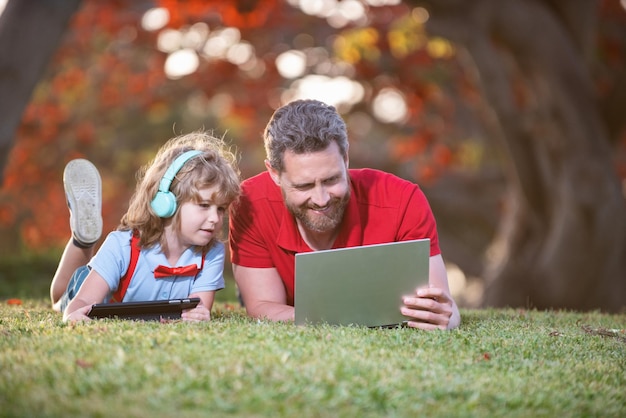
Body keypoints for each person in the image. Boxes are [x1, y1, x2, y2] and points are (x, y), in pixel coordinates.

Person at [229, 99, 461, 330]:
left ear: (346, 158)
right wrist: (348, 319)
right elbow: (264, 305)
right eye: (304, 186)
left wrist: (443, 317)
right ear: (274, 173)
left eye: (331, 180)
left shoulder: (403, 200)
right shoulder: (249, 204)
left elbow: (443, 306)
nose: (321, 199)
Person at [50, 131, 240, 322]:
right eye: (204, 205)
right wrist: (72, 315)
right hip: (96, 283)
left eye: (221, 209)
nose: (215, 218)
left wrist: (197, 316)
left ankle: (82, 242)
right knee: (61, 300)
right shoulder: (122, 245)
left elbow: (197, 308)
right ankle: (82, 241)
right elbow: (84, 300)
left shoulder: (212, 252)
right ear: (166, 201)